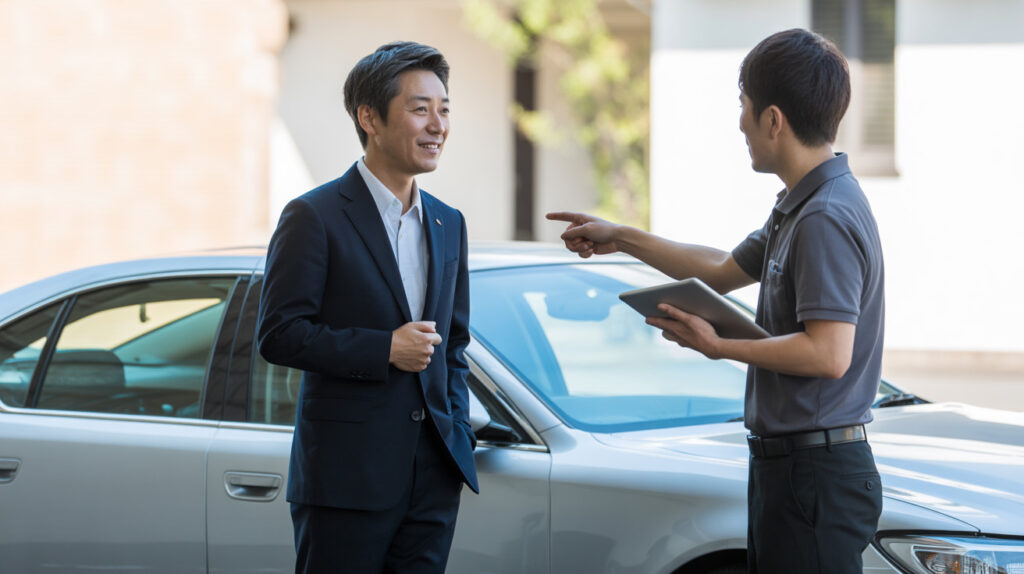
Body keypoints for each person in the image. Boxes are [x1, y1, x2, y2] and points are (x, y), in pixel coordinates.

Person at [548, 28, 884, 574]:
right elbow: (722, 271)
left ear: (773, 119)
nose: (740, 124)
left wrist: (719, 345)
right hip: (795, 470)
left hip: (815, 474)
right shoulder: (801, 206)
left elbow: (828, 354)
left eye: (744, 107)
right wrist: (622, 236)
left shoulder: (823, 215)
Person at [257, 41, 477, 574]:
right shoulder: (314, 216)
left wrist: (458, 433)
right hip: (345, 479)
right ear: (369, 117)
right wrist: (385, 349)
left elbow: (454, 346)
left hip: (432, 480)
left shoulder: (449, 222)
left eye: (444, 108)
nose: (437, 125)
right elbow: (279, 333)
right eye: (419, 108)